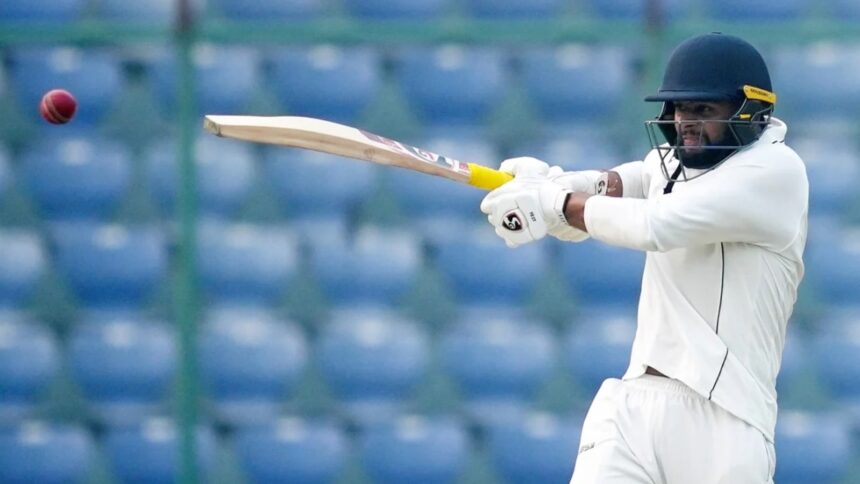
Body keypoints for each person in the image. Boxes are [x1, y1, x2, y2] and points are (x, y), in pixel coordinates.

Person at [480, 33, 808, 483]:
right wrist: (551, 182)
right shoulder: (670, 164)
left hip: (726, 418)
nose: (684, 122)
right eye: (678, 109)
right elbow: (614, 185)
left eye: (702, 110)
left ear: (750, 111)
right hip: (633, 406)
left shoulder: (776, 172)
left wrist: (555, 204)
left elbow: (656, 224)